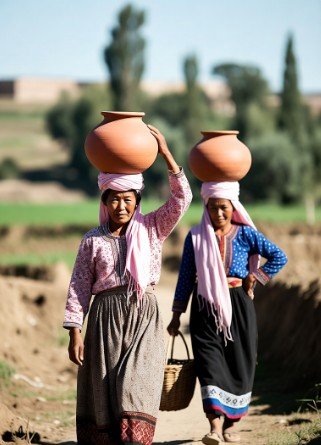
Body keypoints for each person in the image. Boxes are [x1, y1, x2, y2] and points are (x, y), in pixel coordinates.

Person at [63, 124, 192, 445]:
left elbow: (182, 198)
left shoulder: (152, 228)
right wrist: (75, 333)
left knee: (134, 388)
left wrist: (164, 152)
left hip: (144, 317)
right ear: (104, 201)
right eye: (114, 200)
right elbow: (78, 289)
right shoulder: (92, 241)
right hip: (105, 321)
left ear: (137, 201)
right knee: (105, 393)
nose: (121, 206)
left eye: (128, 199)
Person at [167, 181, 287, 445]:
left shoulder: (246, 235)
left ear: (234, 207)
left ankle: (232, 424)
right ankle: (214, 426)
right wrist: (177, 314)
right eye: (213, 208)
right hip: (205, 305)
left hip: (239, 305)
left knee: (240, 363)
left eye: (224, 208)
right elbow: (186, 277)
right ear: (206, 208)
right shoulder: (196, 237)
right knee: (209, 364)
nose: (218, 214)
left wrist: (256, 277)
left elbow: (279, 256)